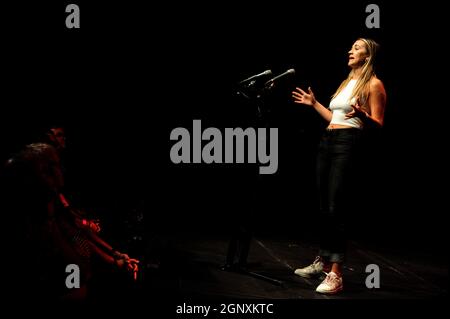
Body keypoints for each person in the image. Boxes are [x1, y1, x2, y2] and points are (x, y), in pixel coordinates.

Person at [291, 38, 386, 294]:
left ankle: (336, 274)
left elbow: (378, 123)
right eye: (351, 48)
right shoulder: (347, 83)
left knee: (336, 207)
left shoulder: (374, 84)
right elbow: (335, 117)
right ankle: (322, 260)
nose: (350, 51)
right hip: (328, 139)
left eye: (357, 48)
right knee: (324, 206)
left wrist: (364, 116)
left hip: (348, 143)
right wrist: (314, 104)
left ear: (368, 56)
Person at [1, 143, 139, 301]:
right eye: (55, 166)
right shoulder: (31, 231)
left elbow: (82, 238)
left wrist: (117, 259)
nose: (61, 171)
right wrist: (115, 262)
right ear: (42, 173)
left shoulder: (57, 217)